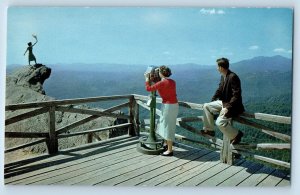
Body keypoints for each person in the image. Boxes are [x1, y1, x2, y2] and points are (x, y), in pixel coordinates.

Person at [201, 57, 245, 144]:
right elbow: (220, 90)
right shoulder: (223, 76)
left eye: (217, 66)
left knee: (219, 122)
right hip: (224, 102)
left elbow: (236, 94)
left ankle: (237, 134)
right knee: (206, 106)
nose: (217, 68)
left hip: (233, 106)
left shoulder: (233, 77)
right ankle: (210, 130)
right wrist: (212, 100)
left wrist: (227, 108)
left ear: (221, 67)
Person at [144, 65, 179, 156]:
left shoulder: (161, 83)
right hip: (174, 105)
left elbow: (148, 88)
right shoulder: (172, 82)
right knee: (166, 124)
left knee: (167, 127)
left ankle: (170, 150)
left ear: (161, 73)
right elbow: (164, 85)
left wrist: (147, 79)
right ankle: (167, 145)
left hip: (168, 106)